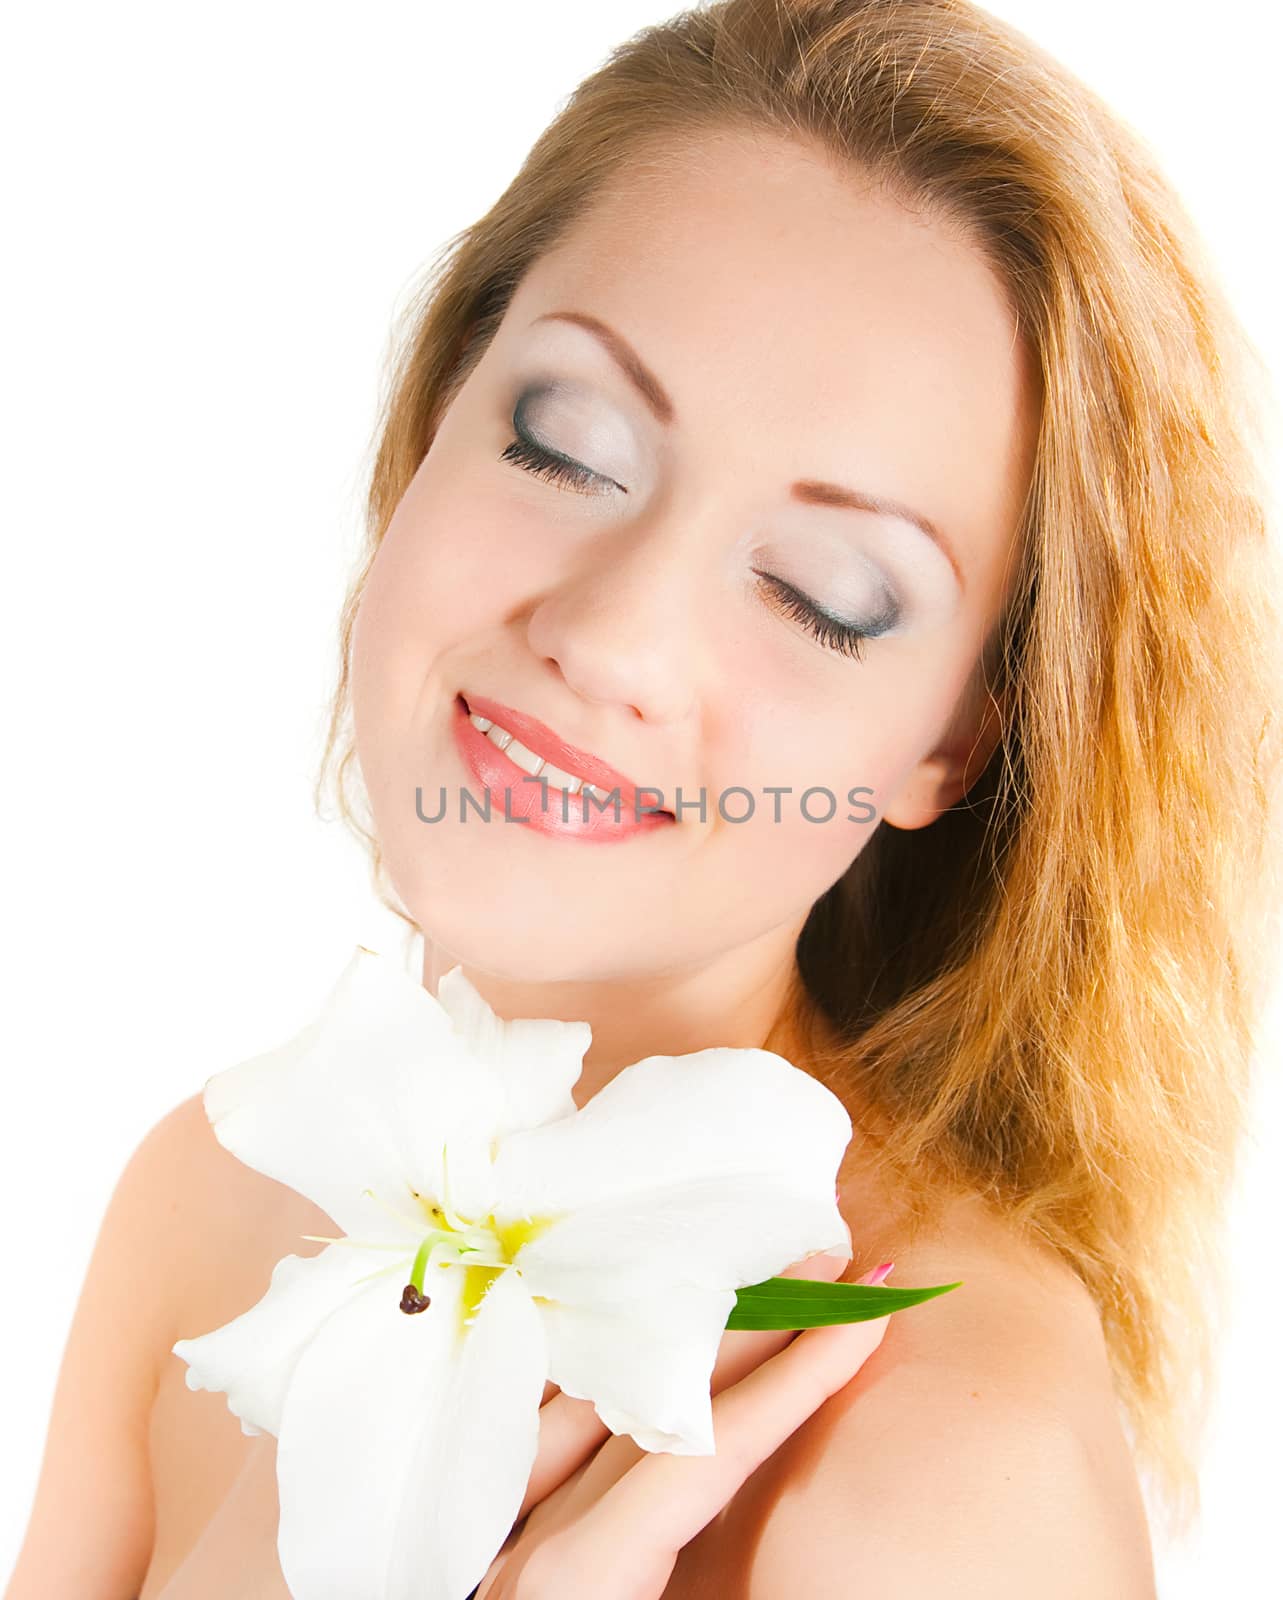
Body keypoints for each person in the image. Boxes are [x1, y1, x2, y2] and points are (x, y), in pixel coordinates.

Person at [8, 0, 1280, 1596]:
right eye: (567, 442)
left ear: (954, 745)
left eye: (823, 594)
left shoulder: (942, 1466)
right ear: (433, 424)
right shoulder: (208, 1191)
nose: (612, 641)